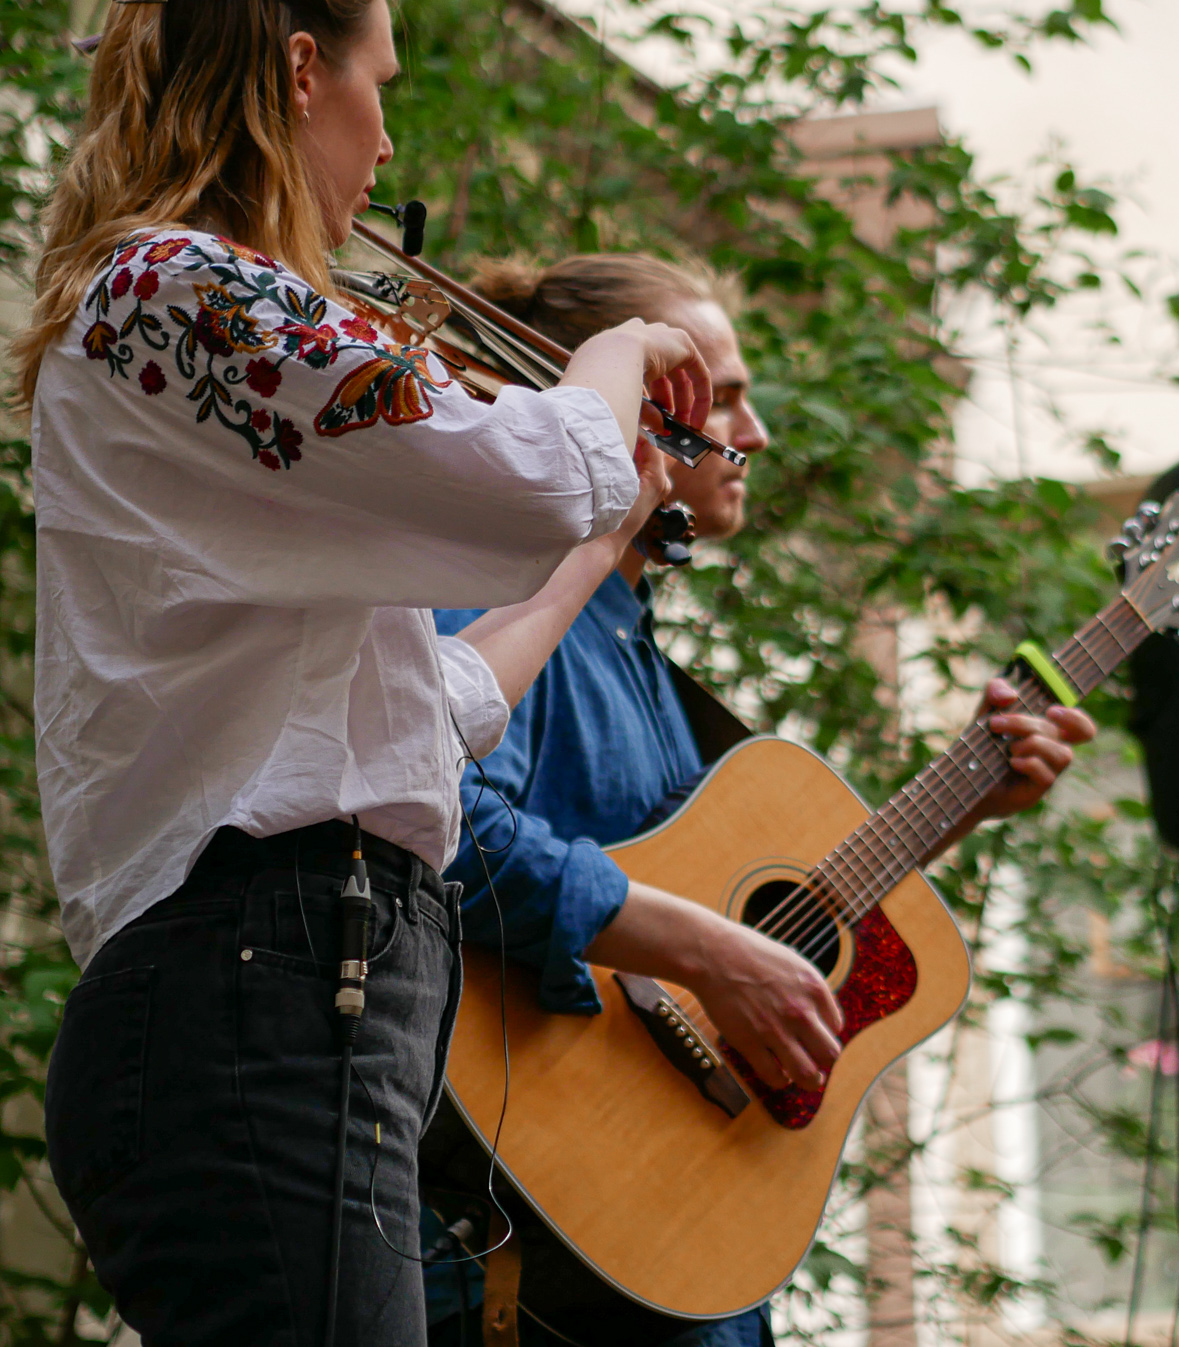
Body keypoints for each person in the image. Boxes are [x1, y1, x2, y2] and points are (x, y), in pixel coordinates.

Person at [22, 0, 715, 1347]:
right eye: (379, 87)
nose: (385, 146)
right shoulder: (180, 289)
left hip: (293, 984)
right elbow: (537, 470)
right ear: (295, 74)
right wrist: (618, 352)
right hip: (265, 982)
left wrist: (597, 542)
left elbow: (436, 706)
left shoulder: (189, 309)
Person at [423, 253, 1098, 1345]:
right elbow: (436, 819)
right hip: (534, 1256)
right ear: (629, 405)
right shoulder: (515, 597)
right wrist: (704, 952)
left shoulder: (631, 641)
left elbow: (721, 895)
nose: (759, 433)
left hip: (666, 1231)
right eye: (726, 396)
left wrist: (964, 799)